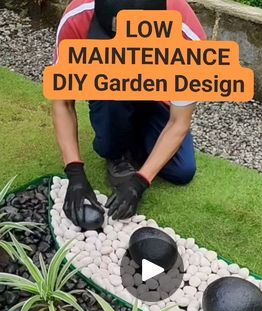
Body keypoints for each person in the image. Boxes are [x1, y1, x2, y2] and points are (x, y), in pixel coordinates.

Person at [52, 0, 206, 224]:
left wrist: (140, 182)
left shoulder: (188, 37)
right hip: (109, 92)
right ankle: (117, 149)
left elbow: (179, 122)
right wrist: (74, 172)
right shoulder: (78, 17)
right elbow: (62, 102)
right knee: (111, 137)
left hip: (157, 100)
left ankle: (134, 132)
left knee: (181, 171)